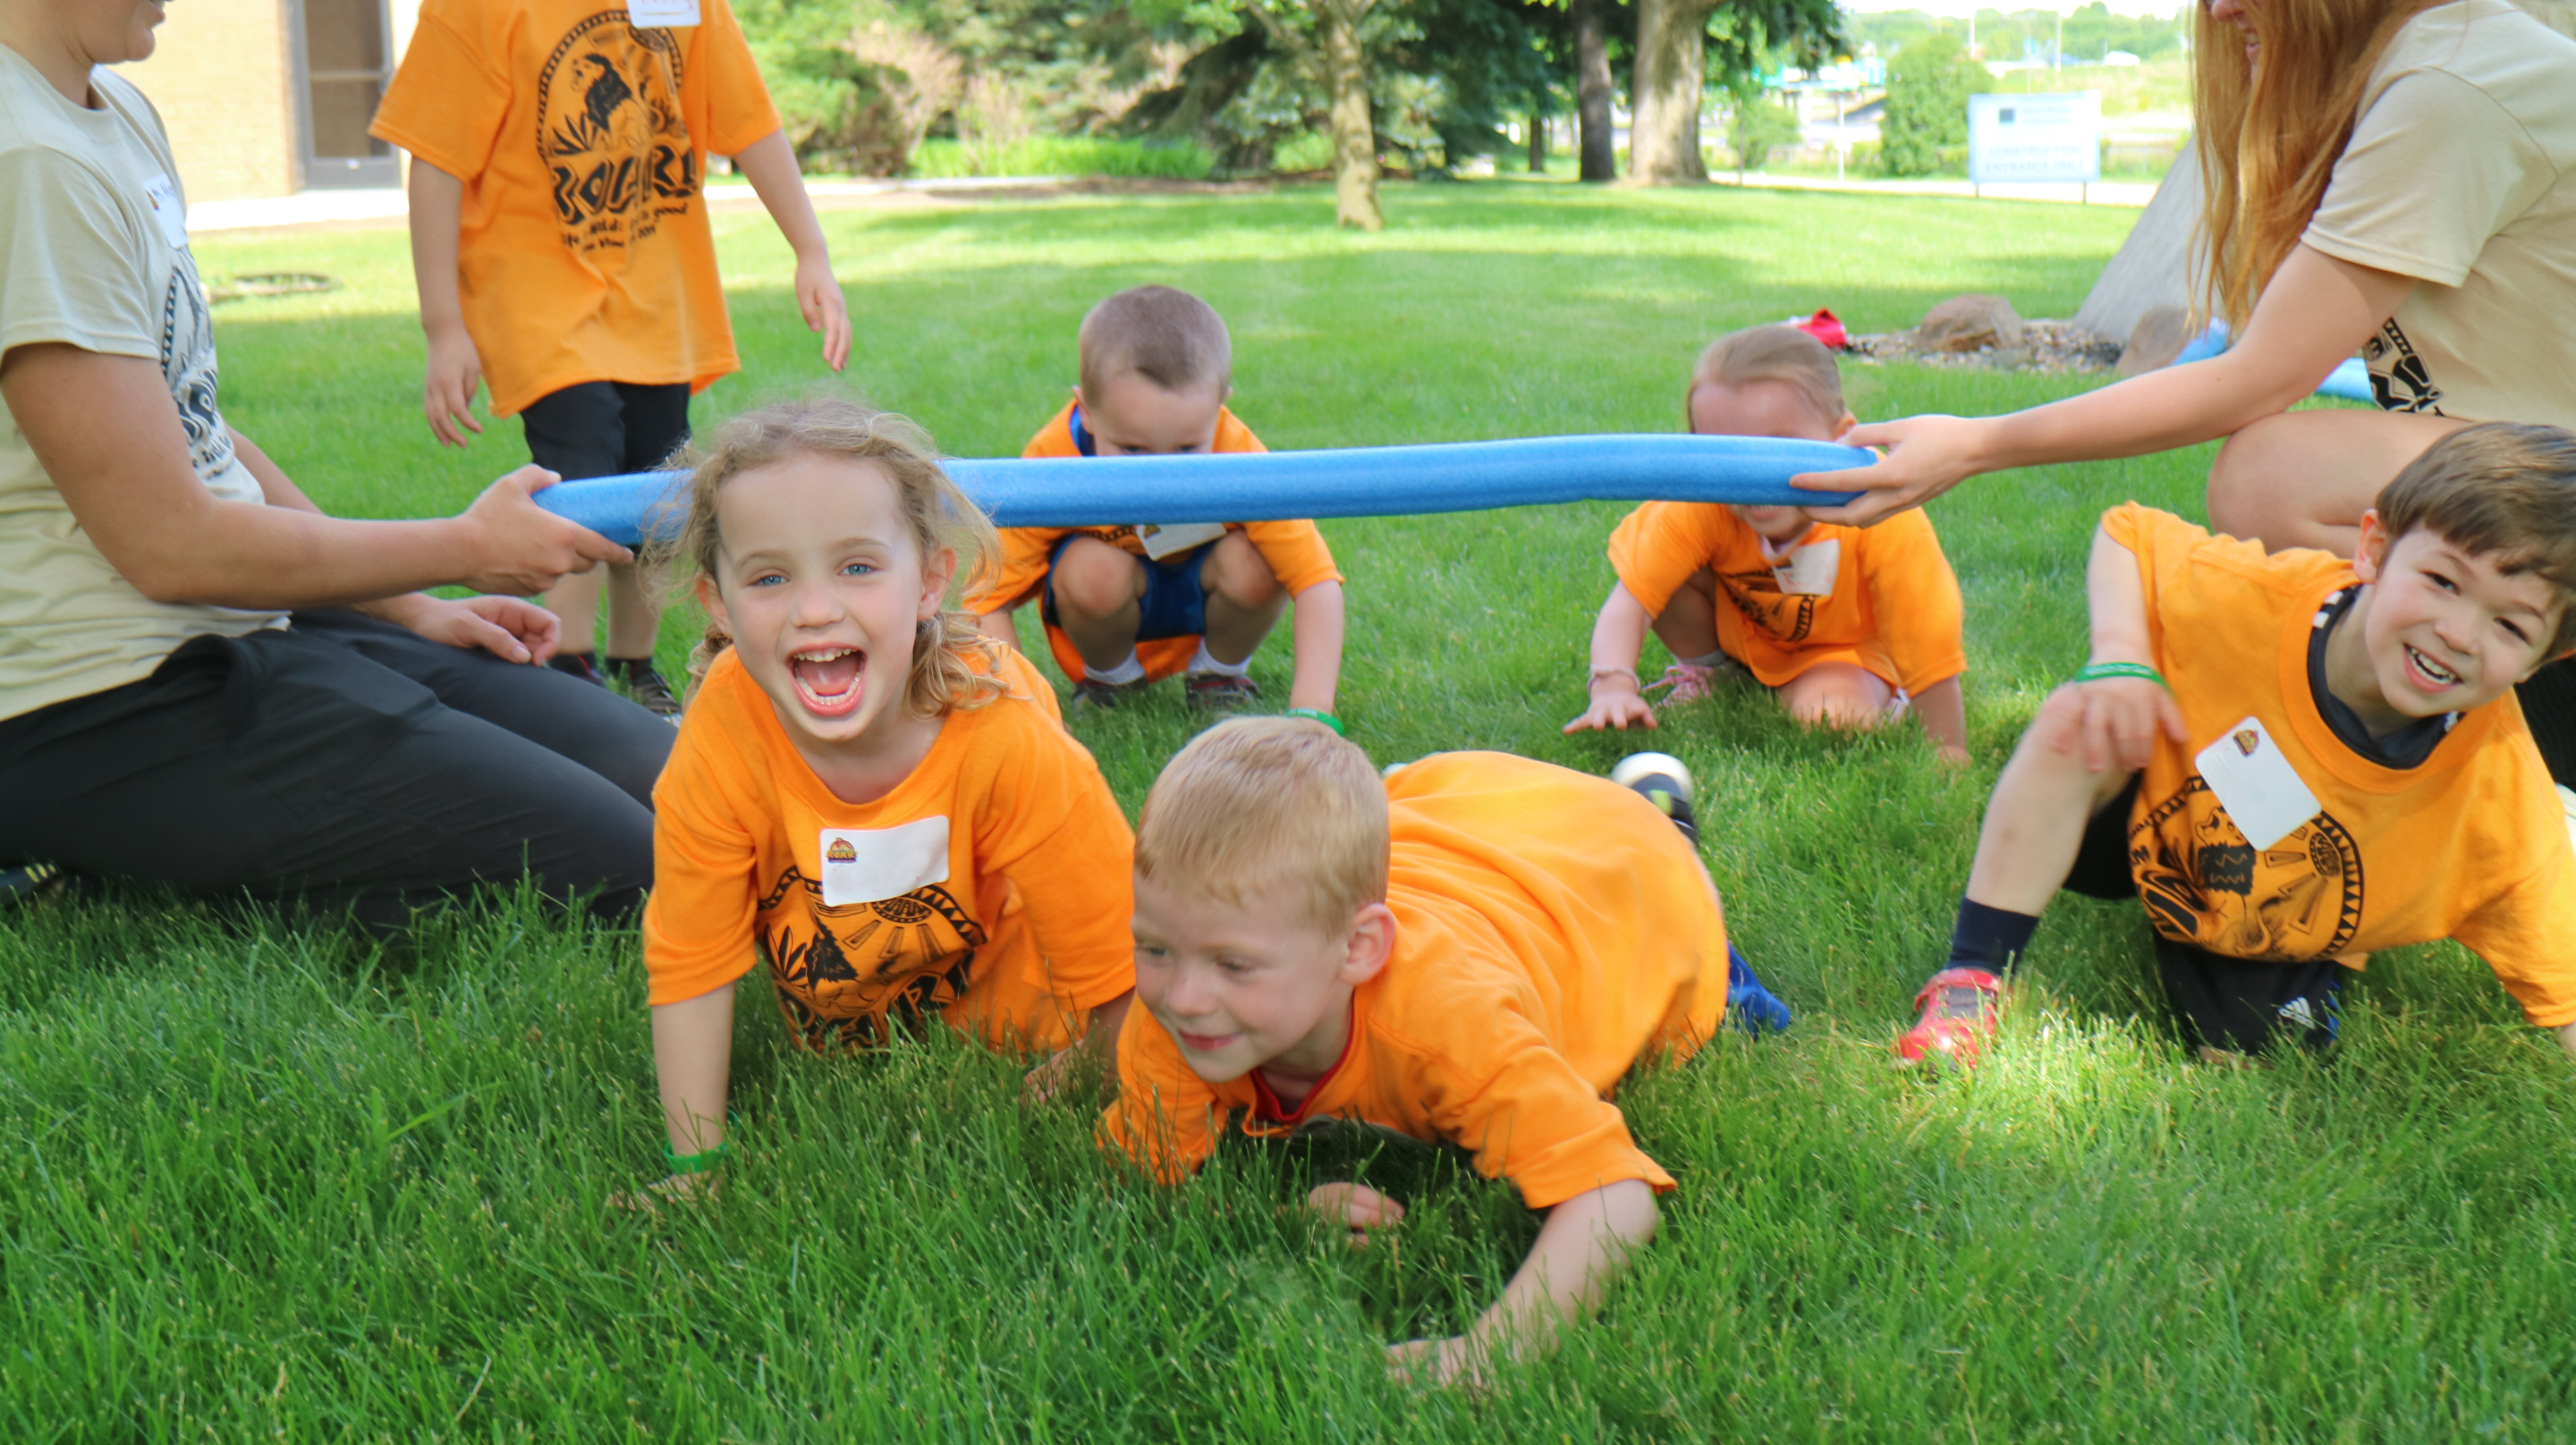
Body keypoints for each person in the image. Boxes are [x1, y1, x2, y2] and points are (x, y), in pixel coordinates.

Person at [0, 0, 668, 927]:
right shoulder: (28, 161)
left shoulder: (115, 112)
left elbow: (198, 430)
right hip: (108, 697)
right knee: (630, 864)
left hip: (247, 624)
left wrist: (409, 609)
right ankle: (110, 843)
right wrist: (463, 545)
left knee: (673, 781)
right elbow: (168, 546)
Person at [1795, 0, 2576, 785]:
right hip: (2545, 469)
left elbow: (2258, 377)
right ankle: (2436, 722)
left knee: (2271, 476)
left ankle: (2471, 715)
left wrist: (1976, 443)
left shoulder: (2450, 88)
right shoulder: (2426, 66)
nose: (2217, 8)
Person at [1097, 720, 1770, 1386]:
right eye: (1154, 947)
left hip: (1616, 879)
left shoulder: (1450, 1022)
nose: (1182, 996)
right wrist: (1283, 1219)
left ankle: (1661, 817)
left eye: (1234, 964)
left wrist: (1489, 1355)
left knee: (1679, 898)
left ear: (1359, 950)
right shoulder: (1182, 1018)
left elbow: (1614, 1198)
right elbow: (1143, 1185)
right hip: (1457, 829)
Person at [1897, 425, 2576, 1069]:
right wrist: (2123, 659)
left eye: (2511, 625)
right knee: (2082, 713)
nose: (2458, 632)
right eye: (2443, 581)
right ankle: (1975, 971)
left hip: (2280, 909)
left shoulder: (2500, 789)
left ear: (2543, 659)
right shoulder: (2258, 597)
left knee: (2249, 1056)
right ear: (2373, 548)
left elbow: (2561, 967)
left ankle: (2312, 961)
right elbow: (2130, 534)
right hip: (2141, 814)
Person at [639, 399, 1136, 1196]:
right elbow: (689, 962)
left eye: (858, 566)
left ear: (932, 579)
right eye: (769, 577)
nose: (815, 608)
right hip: (839, 1023)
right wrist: (694, 1169)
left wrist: (1080, 1068)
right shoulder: (721, 734)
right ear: (720, 606)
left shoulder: (1006, 737)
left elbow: (1125, 962)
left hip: (1021, 1029)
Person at [372, 0, 852, 717]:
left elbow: (750, 123)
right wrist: (446, 327)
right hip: (536, 295)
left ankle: (636, 663)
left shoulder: (688, 4)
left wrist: (810, 250)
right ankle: (566, 665)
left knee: (658, 485)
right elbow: (435, 162)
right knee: (582, 462)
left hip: (657, 295)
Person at [1566, 325, 1969, 762]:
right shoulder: (1701, 502)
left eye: (1780, 448)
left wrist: (1949, 750)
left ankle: (1881, 700)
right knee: (1660, 573)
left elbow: (1928, 637)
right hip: (1747, 633)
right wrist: (1611, 686)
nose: (1755, 477)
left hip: (1842, 652)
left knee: (1832, 719)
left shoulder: (1879, 512)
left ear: (1841, 438)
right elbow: (1632, 599)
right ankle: (1713, 674)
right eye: (1725, 454)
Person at [964, 286, 1346, 724]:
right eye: (1132, 449)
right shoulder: (1054, 460)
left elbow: (1316, 581)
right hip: (1108, 599)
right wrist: (1022, 717)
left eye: (1186, 449)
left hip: (1207, 585)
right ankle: (1111, 680)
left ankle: (1218, 674)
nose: (1160, 476)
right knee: (1089, 569)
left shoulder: (1239, 455)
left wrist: (1313, 714)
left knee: (1260, 560)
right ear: (1086, 411)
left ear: (1218, 410)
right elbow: (984, 598)